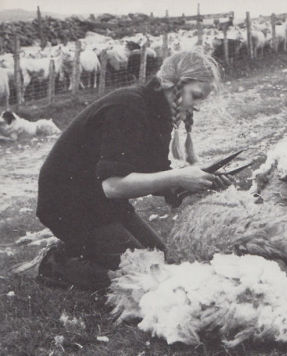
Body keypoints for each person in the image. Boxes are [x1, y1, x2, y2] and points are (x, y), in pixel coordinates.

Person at [35, 49, 231, 291]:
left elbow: (157, 175)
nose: (196, 107)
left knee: (162, 260)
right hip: (68, 205)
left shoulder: (159, 112)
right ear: (175, 85)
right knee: (150, 280)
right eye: (196, 96)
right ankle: (58, 264)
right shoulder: (128, 107)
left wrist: (202, 181)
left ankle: (80, 248)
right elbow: (113, 186)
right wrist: (180, 175)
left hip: (100, 203)